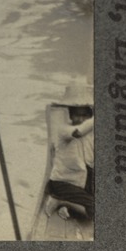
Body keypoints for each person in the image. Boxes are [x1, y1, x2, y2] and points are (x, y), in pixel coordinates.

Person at [45, 82, 96, 221]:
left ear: (89, 116)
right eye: (77, 115)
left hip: (81, 181)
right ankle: (61, 201)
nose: (80, 119)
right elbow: (79, 132)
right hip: (62, 183)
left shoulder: (91, 134)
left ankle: (66, 207)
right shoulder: (64, 130)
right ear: (71, 116)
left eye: (84, 115)